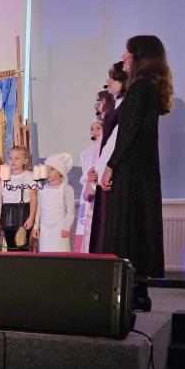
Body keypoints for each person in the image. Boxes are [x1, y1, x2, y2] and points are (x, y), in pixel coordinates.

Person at [100, 35, 173, 311]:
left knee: (127, 227)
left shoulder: (139, 88)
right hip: (142, 171)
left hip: (131, 171)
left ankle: (131, 293)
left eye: (128, 52)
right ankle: (139, 293)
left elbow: (127, 133)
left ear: (140, 57)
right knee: (139, 226)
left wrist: (111, 165)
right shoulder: (148, 88)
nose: (123, 57)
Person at [88, 62, 128, 254]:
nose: (108, 81)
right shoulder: (117, 107)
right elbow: (106, 146)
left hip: (110, 177)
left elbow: (115, 143)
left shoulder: (124, 107)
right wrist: (96, 170)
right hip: (104, 174)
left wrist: (104, 169)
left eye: (112, 78)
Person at [74, 98, 109, 253]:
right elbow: (84, 175)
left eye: (98, 128)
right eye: (92, 128)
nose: (94, 130)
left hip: (100, 190)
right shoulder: (85, 153)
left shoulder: (106, 149)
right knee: (83, 227)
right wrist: (88, 182)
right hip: (87, 192)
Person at [34, 153, 76, 253]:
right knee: (46, 254)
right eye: (46, 169)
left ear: (60, 172)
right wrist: (36, 227)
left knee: (60, 254)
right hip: (45, 231)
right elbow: (38, 209)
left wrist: (66, 227)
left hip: (59, 230)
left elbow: (70, 211)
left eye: (52, 169)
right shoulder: (42, 189)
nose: (48, 172)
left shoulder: (66, 189)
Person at [0, 145, 38, 252]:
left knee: (22, 245)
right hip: (8, 212)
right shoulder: (5, 177)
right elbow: (2, 198)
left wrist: (31, 218)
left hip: (23, 211)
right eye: (11, 158)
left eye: (17, 158)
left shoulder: (30, 176)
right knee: (10, 245)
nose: (13, 161)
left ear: (25, 160)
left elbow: (33, 198)